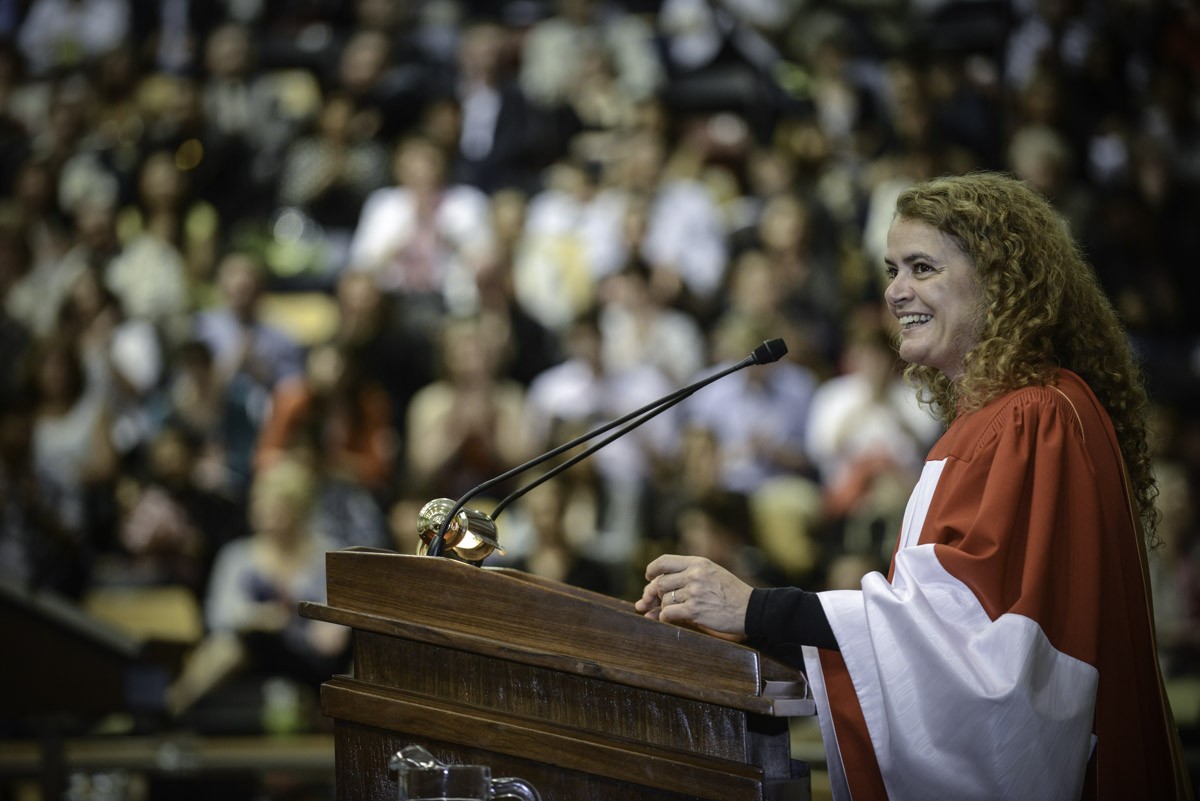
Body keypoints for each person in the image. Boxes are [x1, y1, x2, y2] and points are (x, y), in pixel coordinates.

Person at [635, 172, 1191, 800]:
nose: (896, 291)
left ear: (1000, 284)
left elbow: (980, 652)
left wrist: (756, 609)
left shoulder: (1032, 417)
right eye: (892, 269)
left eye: (922, 267)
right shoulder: (1002, 415)